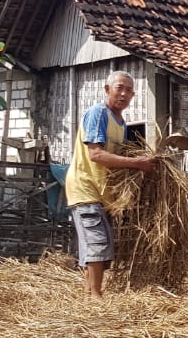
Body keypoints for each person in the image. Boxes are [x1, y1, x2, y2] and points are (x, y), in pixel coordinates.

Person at [64, 70, 156, 298]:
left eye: (129, 91)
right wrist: (138, 164)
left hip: (102, 192)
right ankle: (96, 296)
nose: (124, 94)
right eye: (119, 88)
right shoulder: (98, 113)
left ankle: (89, 293)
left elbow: (117, 161)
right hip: (85, 187)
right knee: (97, 241)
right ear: (107, 89)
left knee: (100, 245)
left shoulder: (122, 124)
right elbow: (96, 155)